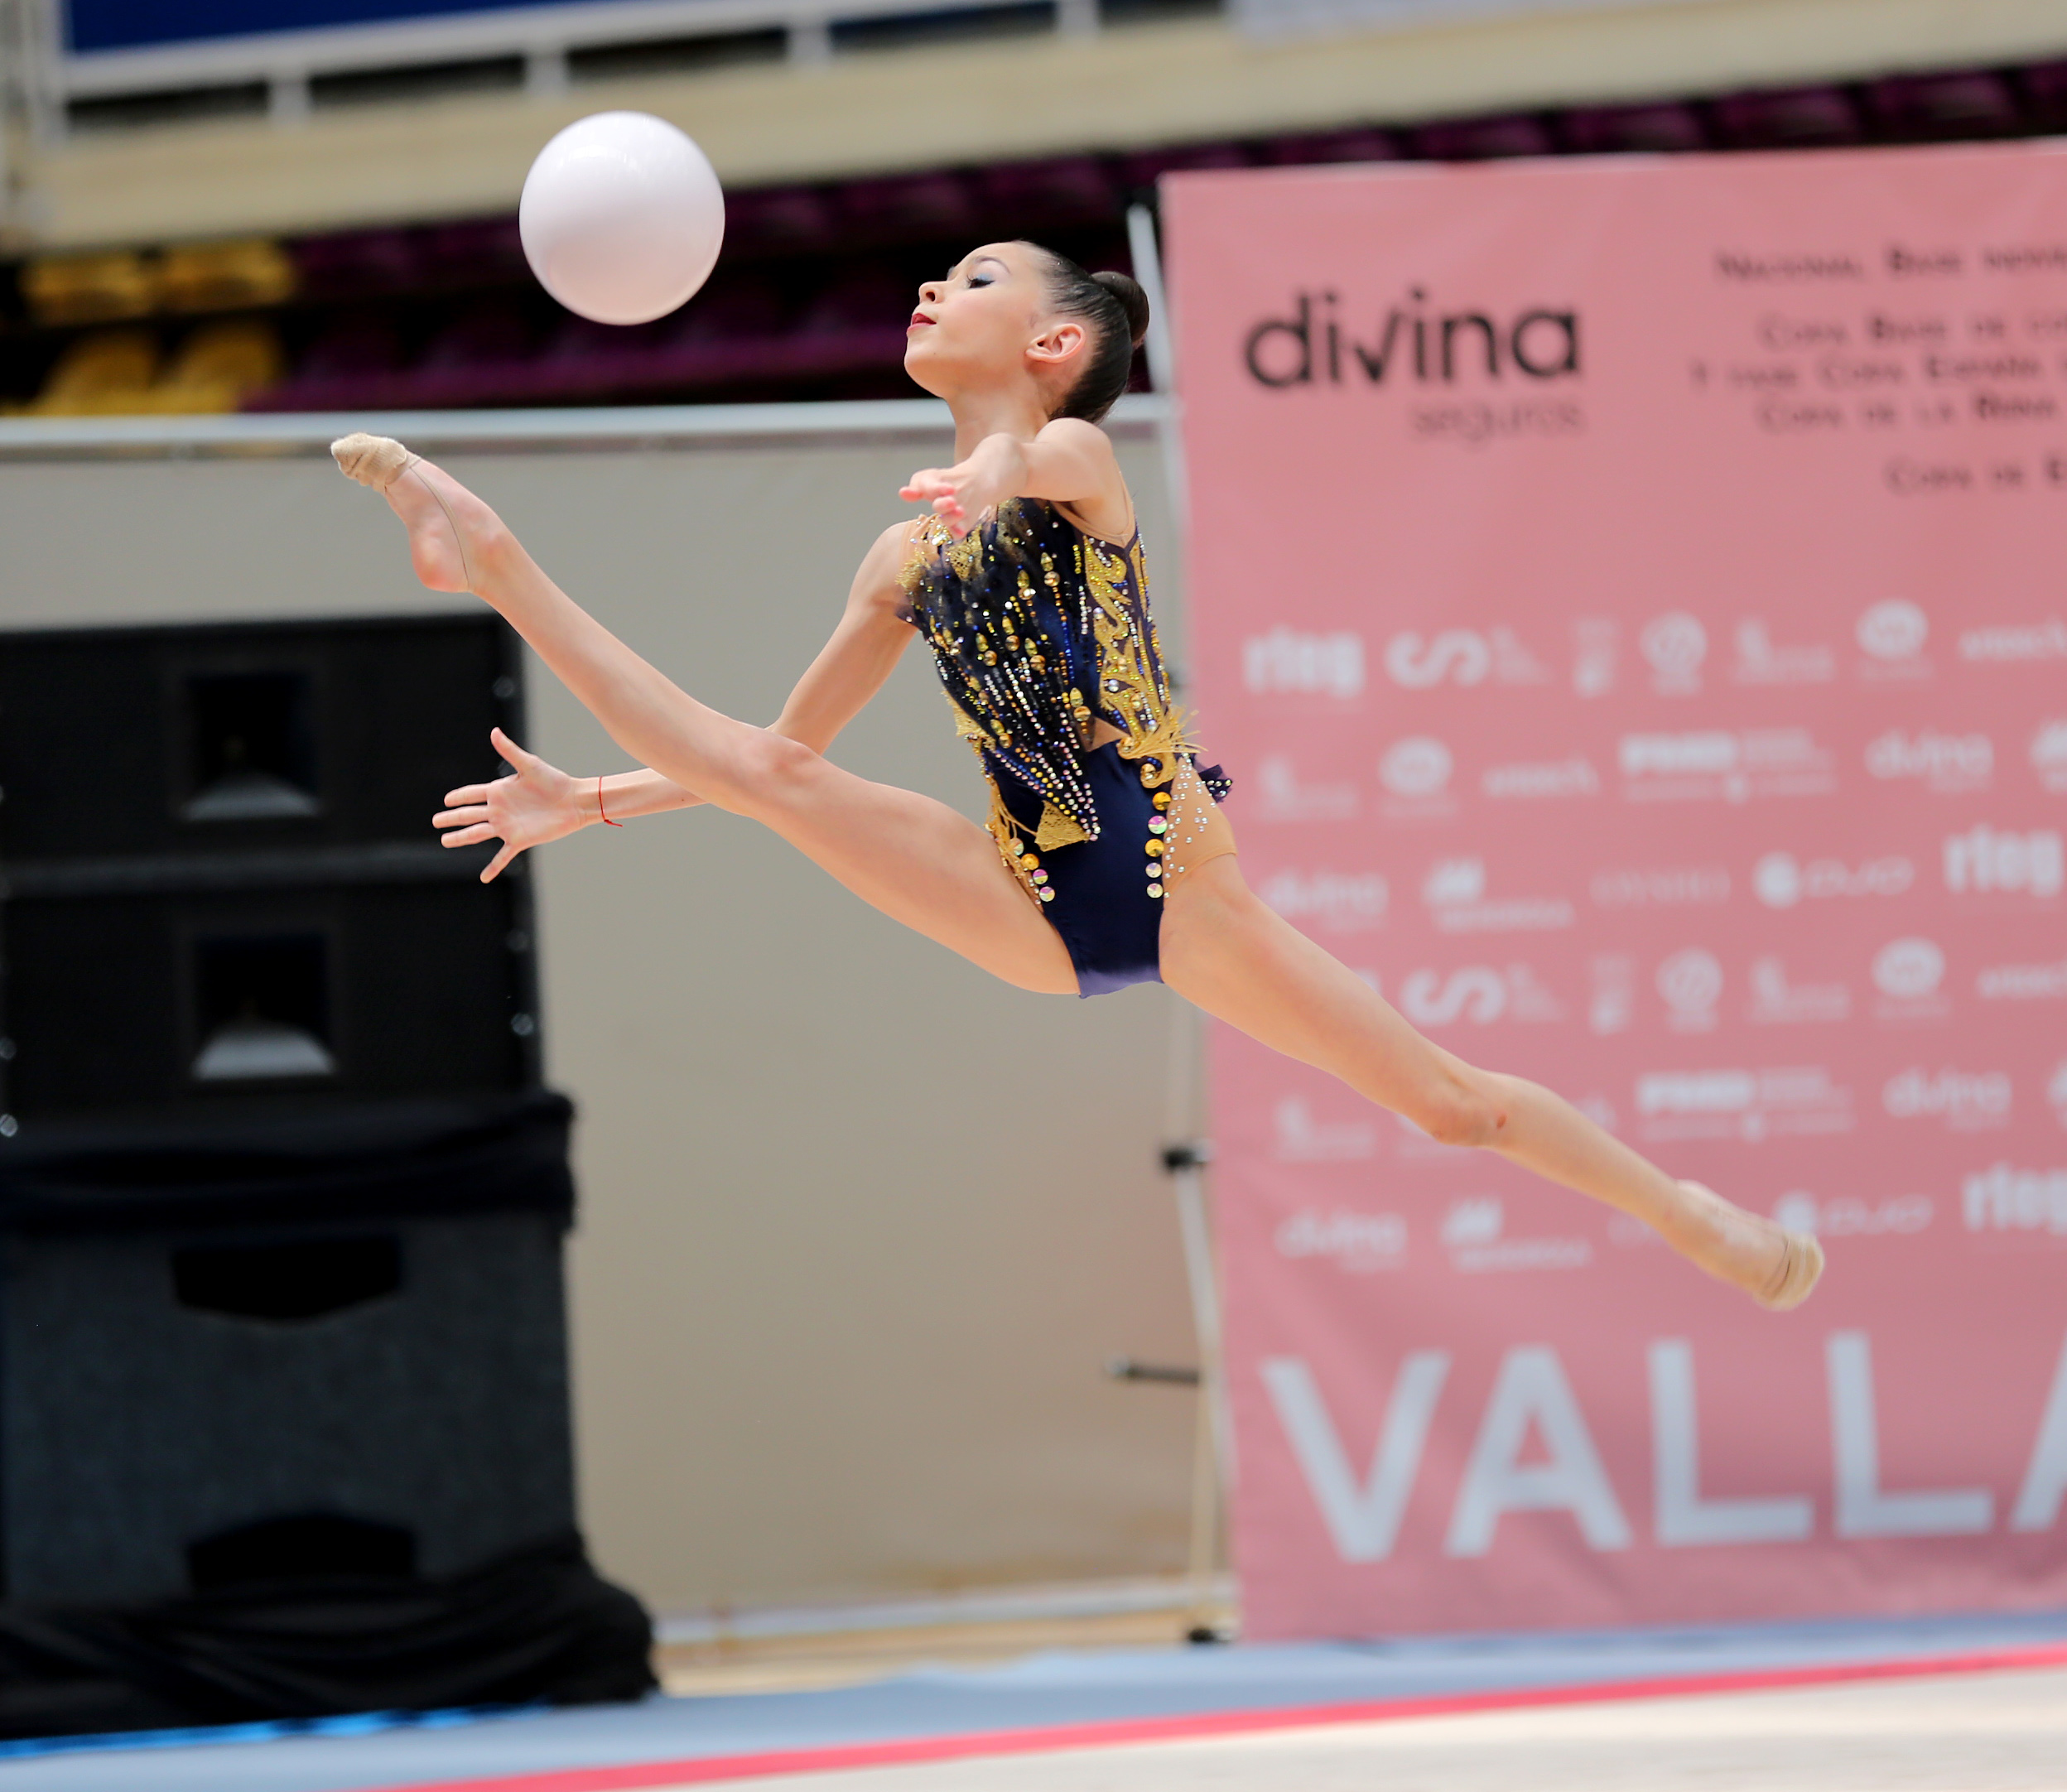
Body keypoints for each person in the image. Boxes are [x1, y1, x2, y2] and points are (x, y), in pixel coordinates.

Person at [331, 239, 1822, 1311]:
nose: (933, 288)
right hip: (1023, 899)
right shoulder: (902, 555)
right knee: (772, 774)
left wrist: (1000, 465)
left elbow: (1046, 474)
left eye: (976, 280)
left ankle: (1683, 1213)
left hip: (1173, 881)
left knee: (1450, 1108)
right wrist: (591, 801)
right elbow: (784, 757)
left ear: (1053, 349)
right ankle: (498, 559)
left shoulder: (1082, 469)